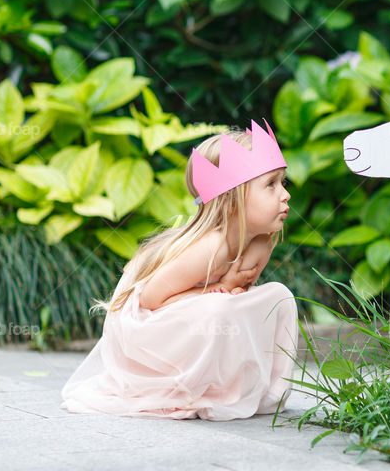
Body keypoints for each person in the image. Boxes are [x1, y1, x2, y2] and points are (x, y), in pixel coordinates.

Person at [60, 121, 298, 420]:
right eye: (271, 185)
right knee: (218, 310)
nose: (285, 194)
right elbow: (150, 299)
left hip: (185, 311)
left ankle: (263, 391)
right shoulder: (210, 247)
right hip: (143, 326)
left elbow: (237, 296)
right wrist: (211, 292)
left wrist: (230, 290)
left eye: (282, 182)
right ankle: (192, 390)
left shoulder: (262, 241)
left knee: (279, 297)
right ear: (231, 200)